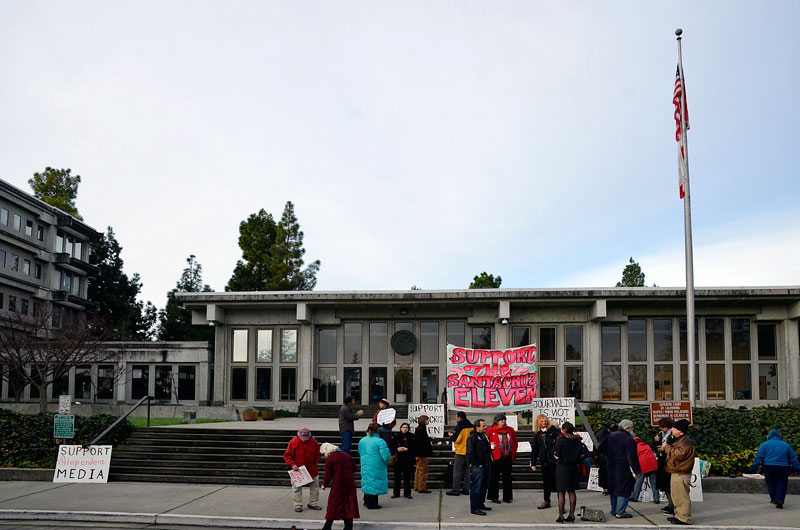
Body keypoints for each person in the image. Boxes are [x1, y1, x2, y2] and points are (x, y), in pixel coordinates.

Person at [598, 418, 641, 519]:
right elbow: (632, 457)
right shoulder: (628, 439)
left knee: (613, 489)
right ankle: (621, 512)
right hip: (623, 466)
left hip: (611, 465)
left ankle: (614, 510)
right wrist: (637, 471)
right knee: (624, 489)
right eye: (632, 427)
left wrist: (611, 454)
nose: (633, 429)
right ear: (627, 428)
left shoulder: (611, 436)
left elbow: (600, 448)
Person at [753, 428, 800, 509]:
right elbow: (793, 458)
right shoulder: (786, 445)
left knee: (770, 483)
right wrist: (797, 469)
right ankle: (780, 500)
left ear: (769, 436)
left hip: (768, 466)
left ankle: (774, 499)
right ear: (779, 436)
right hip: (783, 467)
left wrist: (755, 466)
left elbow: (759, 456)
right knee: (781, 483)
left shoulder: (765, 444)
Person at [662, 419, 695, 525]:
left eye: (674, 428)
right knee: (676, 496)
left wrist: (666, 448)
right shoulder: (679, 439)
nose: (672, 429)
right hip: (676, 471)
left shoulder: (686, 442)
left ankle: (684, 518)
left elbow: (679, 455)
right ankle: (678, 515)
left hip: (681, 473)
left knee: (682, 497)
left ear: (680, 431)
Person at [320, 442, 359, 530]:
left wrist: (324, 484)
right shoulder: (347, 455)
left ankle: (328, 526)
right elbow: (354, 469)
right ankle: (348, 526)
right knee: (349, 504)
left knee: (333, 504)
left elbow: (328, 474)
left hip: (338, 484)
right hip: (350, 483)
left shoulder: (330, 459)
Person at [283, 427, 321, 513]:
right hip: (298, 469)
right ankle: (298, 505)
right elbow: (287, 455)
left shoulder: (313, 442)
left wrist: (315, 462)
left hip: (312, 468)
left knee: (315, 486)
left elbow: (318, 454)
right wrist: (293, 464)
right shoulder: (294, 442)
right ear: (299, 435)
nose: (304, 440)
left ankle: (313, 503)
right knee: (296, 488)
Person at [553, 421, 583, 523]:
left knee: (561, 492)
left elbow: (557, 455)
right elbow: (581, 454)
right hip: (573, 467)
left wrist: (555, 456)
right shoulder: (577, 440)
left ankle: (561, 515)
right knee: (571, 491)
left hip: (562, 467)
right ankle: (572, 514)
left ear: (563, 430)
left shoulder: (560, 440)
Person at [358, 422, 391, 509]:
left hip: (365, 463)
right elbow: (385, 455)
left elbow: (360, 451)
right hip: (377, 464)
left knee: (367, 481)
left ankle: (366, 500)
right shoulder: (380, 441)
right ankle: (372, 503)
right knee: (375, 482)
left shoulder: (362, 440)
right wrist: (387, 461)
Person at [486, 412, 518, 504]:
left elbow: (515, 441)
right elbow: (486, 442)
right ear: (497, 421)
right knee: (494, 478)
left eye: (504, 420)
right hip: (496, 457)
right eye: (501, 420)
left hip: (507, 456)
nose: (503, 421)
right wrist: (490, 447)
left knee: (507, 477)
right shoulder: (491, 430)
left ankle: (507, 497)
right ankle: (493, 496)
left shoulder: (510, 430)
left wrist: (514, 451)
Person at [530, 414, 559, 509]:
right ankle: (547, 501)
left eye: (545, 421)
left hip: (554, 461)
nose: (544, 423)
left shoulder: (553, 431)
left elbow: (559, 441)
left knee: (557, 481)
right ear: (538, 423)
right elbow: (535, 450)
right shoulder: (538, 435)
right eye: (542, 421)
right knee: (546, 482)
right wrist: (533, 463)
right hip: (544, 461)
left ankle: (560, 503)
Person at [466, 418, 493, 516]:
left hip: (486, 464)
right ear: (477, 427)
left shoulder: (484, 436)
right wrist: (477, 463)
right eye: (483, 426)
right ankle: (475, 507)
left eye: (485, 425)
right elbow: (470, 453)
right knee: (477, 487)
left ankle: (481, 504)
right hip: (478, 466)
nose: (486, 427)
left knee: (484, 486)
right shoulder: (473, 437)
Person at [446, 411, 474, 496]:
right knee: (467, 471)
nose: (456, 419)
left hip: (461, 451)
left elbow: (457, 439)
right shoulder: (471, 426)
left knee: (457, 471)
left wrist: (451, 435)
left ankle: (456, 489)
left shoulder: (460, 427)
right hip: (469, 451)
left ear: (459, 418)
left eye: (456, 417)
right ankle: (466, 489)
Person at [389, 422, 416, 499]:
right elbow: (391, 446)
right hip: (398, 459)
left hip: (408, 460)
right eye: (403, 427)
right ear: (400, 428)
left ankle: (407, 493)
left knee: (407, 477)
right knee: (397, 477)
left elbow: (415, 448)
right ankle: (396, 493)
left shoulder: (412, 436)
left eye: (406, 427)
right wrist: (397, 449)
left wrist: (407, 449)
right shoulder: (397, 436)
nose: (405, 429)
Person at [630, 434, 658, 503]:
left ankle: (635, 497)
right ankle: (656, 499)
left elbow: (633, 459)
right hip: (653, 466)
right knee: (654, 483)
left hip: (643, 467)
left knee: (638, 483)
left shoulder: (635, 448)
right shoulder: (647, 446)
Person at [655, 417, 675, 512]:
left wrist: (664, 449)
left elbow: (672, 448)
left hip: (668, 462)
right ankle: (670, 504)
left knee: (669, 485)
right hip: (662, 461)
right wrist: (658, 442)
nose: (660, 429)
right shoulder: (663, 434)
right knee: (665, 485)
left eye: (662, 427)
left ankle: (673, 505)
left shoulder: (672, 435)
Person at [596, 422, 619, 496]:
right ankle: (608, 487)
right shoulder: (607, 436)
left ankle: (607, 487)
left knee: (605, 471)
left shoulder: (605, 434)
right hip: (608, 455)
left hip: (607, 455)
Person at [414, 414, 433, 493]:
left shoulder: (419, 429)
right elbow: (423, 441)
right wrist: (429, 439)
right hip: (422, 453)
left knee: (418, 470)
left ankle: (417, 486)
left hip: (419, 452)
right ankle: (421, 487)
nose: (428, 421)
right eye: (427, 420)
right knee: (423, 471)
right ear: (424, 421)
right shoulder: (421, 429)